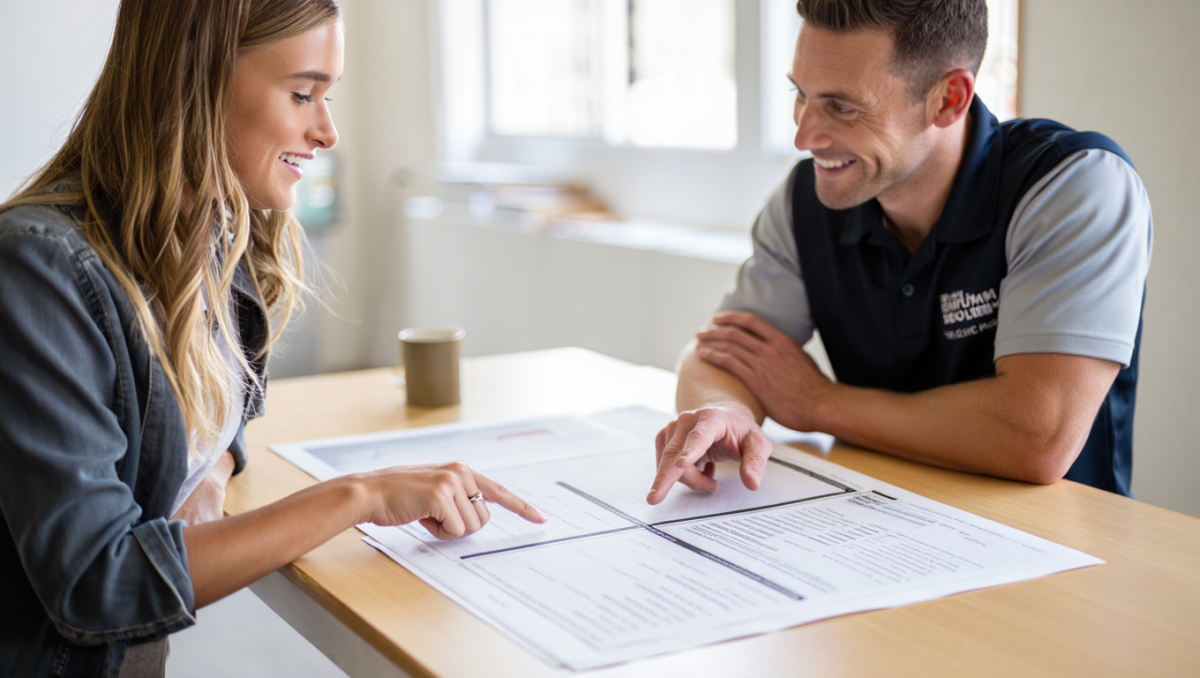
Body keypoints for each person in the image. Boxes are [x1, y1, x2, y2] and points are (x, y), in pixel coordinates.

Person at [0, 2, 544, 676]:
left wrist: (216, 468)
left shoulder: (218, 232)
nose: (329, 131)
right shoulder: (40, 270)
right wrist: (360, 495)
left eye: (328, 95)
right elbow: (96, 585)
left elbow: (226, 407)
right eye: (302, 93)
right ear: (191, 80)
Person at [647, 0, 1152, 506]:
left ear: (948, 99)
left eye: (842, 107)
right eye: (800, 95)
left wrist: (821, 405)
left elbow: (1036, 438)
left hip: (1058, 546)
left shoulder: (1077, 184)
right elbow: (725, 350)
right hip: (874, 521)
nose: (805, 136)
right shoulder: (808, 197)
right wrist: (723, 410)